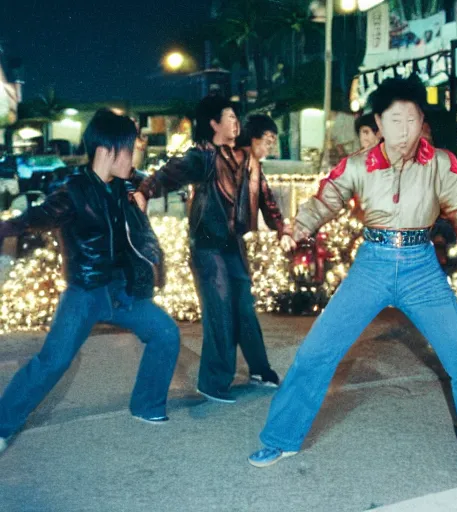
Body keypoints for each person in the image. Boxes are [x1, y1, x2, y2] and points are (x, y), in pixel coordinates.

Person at [248, 76, 457, 488]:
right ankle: (280, 438)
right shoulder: (358, 164)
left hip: (422, 267)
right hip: (371, 265)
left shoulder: (439, 163)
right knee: (317, 352)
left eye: (412, 119)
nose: (404, 130)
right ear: (379, 122)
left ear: (422, 121)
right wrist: (296, 228)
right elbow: (325, 198)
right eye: (395, 120)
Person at [0, 109, 180, 455]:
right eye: (129, 149)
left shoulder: (126, 185)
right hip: (85, 292)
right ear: (106, 151)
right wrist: (8, 227)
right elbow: (36, 217)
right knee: (52, 361)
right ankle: (3, 424)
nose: (133, 157)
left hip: (122, 290)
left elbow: (156, 180)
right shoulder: (74, 192)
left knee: (165, 333)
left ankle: (147, 405)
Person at [132, 97, 288, 404]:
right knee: (220, 311)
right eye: (229, 117)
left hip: (234, 245)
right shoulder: (203, 156)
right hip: (207, 245)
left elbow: (266, 198)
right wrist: (145, 191)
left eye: (235, 117)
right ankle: (213, 382)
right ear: (214, 124)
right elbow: (169, 173)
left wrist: (283, 229)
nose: (235, 122)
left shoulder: (246, 159)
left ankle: (259, 369)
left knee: (243, 309)